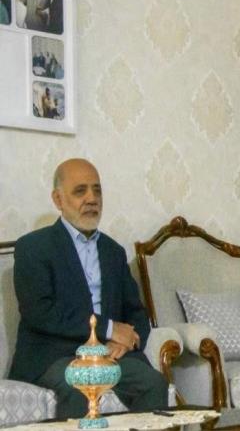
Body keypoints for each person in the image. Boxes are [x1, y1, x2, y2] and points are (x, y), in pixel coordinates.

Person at [9, 159, 169, 419]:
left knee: (154, 383)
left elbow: (137, 314)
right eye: (80, 191)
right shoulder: (34, 248)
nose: (92, 199)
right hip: (56, 356)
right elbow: (39, 313)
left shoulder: (113, 251)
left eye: (97, 190)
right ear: (58, 200)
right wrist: (109, 329)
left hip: (109, 356)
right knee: (80, 384)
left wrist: (125, 343)